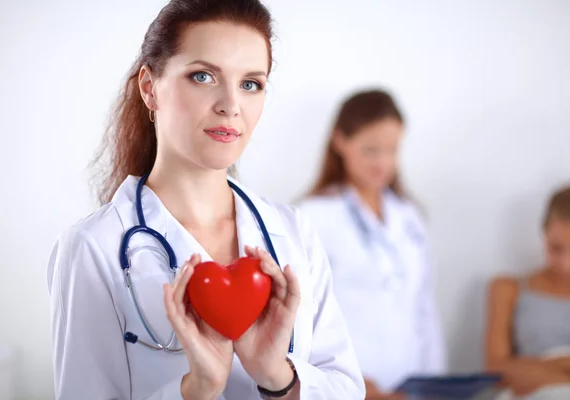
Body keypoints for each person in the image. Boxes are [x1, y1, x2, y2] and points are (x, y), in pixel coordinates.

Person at [46, 1, 366, 399]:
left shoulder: (292, 231)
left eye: (251, 84)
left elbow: (346, 388)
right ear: (150, 88)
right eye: (203, 76)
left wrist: (279, 377)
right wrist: (195, 390)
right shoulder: (94, 248)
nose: (231, 105)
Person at [297, 90, 446, 399]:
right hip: (349, 385)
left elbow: (424, 308)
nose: (383, 162)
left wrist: (435, 383)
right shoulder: (313, 217)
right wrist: (350, 382)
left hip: (413, 385)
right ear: (340, 141)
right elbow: (301, 319)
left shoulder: (409, 217)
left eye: (392, 150)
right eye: (370, 150)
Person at [485, 185, 570, 399]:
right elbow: (495, 370)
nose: (566, 264)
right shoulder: (508, 288)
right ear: (543, 233)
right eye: (556, 248)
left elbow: (512, 369)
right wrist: (566, 367)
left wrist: (533, 370)